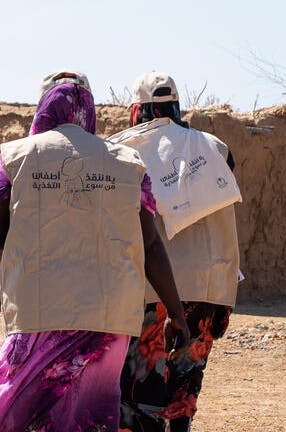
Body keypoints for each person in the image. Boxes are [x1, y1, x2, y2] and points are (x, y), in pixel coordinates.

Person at [0, 72, 192, 432]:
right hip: (107, 316)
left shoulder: (14, 157)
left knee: (20, 414)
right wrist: (178, 314)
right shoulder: (129, 163)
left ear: (43, 110)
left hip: (37, 310)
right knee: (88, 414)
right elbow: (150, 245)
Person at [116, 72, 241, 432]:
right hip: (207, 292)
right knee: (185, 386)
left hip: (151, 292)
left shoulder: (123, 151)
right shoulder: (215, 149)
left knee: (142, 392)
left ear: (138, 109)